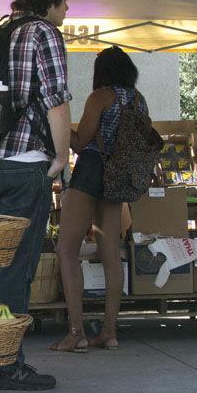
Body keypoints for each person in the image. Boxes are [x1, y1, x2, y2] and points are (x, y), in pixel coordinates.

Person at [0, 0, 75, 391]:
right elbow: (55, 100)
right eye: (65, 1)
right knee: (17, 266)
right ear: (51, 0)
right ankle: (3, 364)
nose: (67, 9)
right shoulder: (44, 34)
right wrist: (62, 156)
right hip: (23, 164)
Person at [51, 46, 148, 353]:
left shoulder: (101, 97)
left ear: (101, 72)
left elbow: (82, 142)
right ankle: (109, 331)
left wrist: (62, 127)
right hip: (121, 176)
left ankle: (76, 331)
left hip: (93, 171)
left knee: (66, 249)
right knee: (111, 253)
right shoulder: (138, 100)